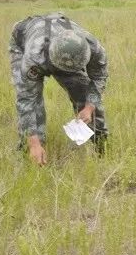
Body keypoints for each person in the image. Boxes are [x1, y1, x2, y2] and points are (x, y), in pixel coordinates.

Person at [8, 12, 109, 165]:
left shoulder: (93, 47)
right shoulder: (34, 58)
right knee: (36, 108)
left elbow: (99, 77)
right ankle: (32, 155)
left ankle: (102, 148)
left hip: (60, 49)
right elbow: (26, 101)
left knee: (85, 93)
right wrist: (34, 142)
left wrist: (89, 107)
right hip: (24, 43)